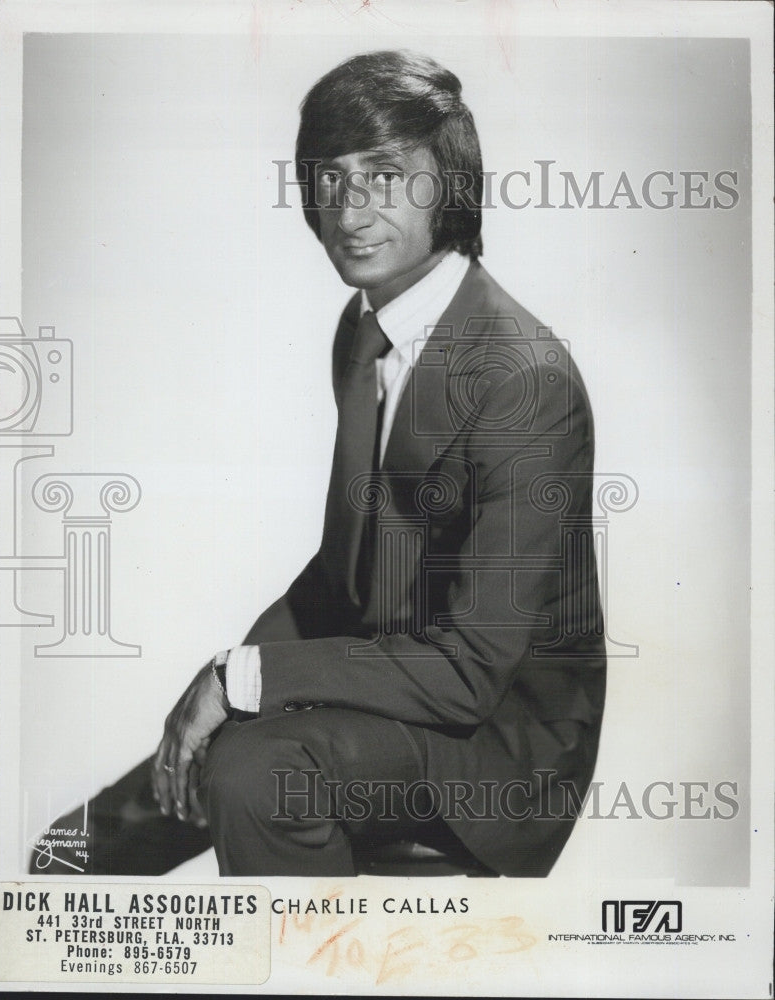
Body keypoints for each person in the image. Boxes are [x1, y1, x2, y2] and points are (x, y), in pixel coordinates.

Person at [150, 49, 607, 878]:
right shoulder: (362, 332)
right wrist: (224, 686)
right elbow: (344, 576)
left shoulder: (524, 376)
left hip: (501, 747)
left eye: (385, 176)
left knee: (256, 773)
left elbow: (471, 674)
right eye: (329, 178)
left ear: (452, 188)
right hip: (391, 683)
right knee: (88, 837)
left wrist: (241, 679)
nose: (349, 209)